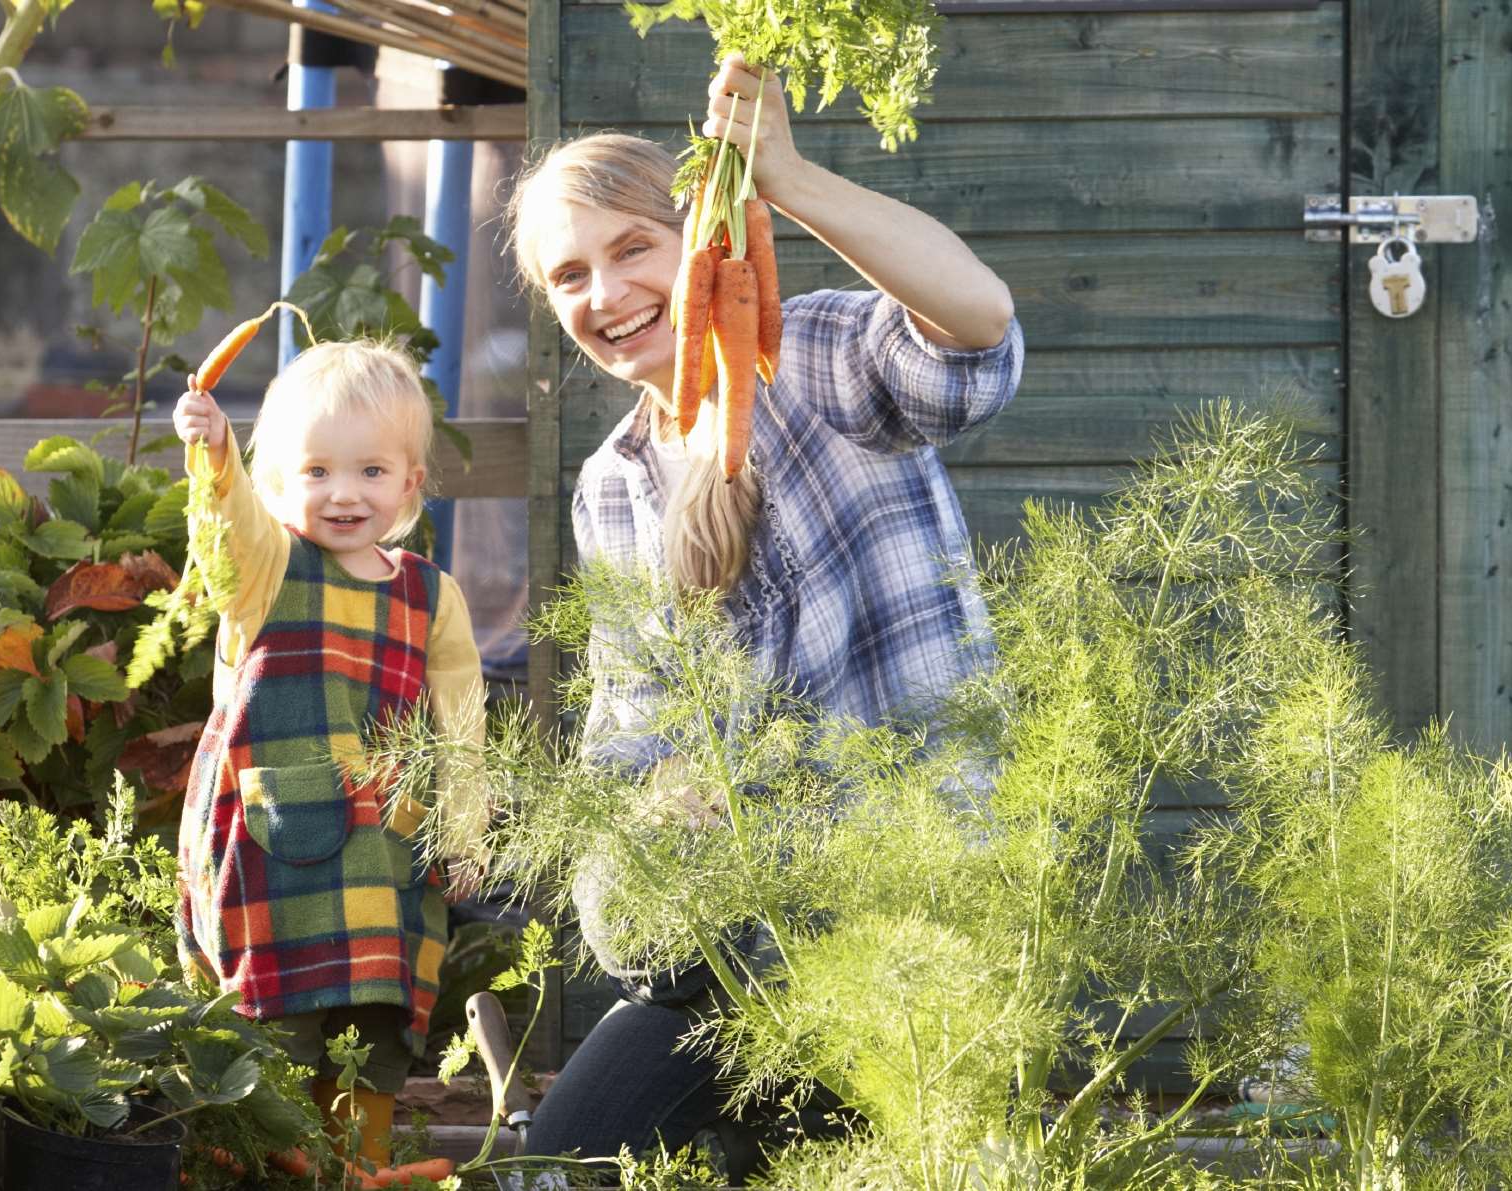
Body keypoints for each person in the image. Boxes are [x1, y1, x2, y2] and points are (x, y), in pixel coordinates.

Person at [505, 53, 1024, 1179]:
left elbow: (977, 331)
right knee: (569, 1155)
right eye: (568, 276)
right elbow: (628, 732)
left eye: (632, 248)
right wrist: (646, 811)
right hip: (740, 935)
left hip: (910, 893)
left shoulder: (819, 355)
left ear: (696, 239)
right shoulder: (613, 483)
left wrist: (783, 177)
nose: (604, 294)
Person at [170, 339, 489, 1170]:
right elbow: (227, 531)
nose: (343, 493)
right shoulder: (268, 571)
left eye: (371, 472)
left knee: (374, 1030)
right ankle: (268, 1160)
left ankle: (359, 1166)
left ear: (411, 482)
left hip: (385, 861)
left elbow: (459, 722)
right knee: (275, 1032)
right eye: (315, 472)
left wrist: (465, 828)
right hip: (276, 854)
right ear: (275, 484)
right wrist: (211, 456)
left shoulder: (430, 594)